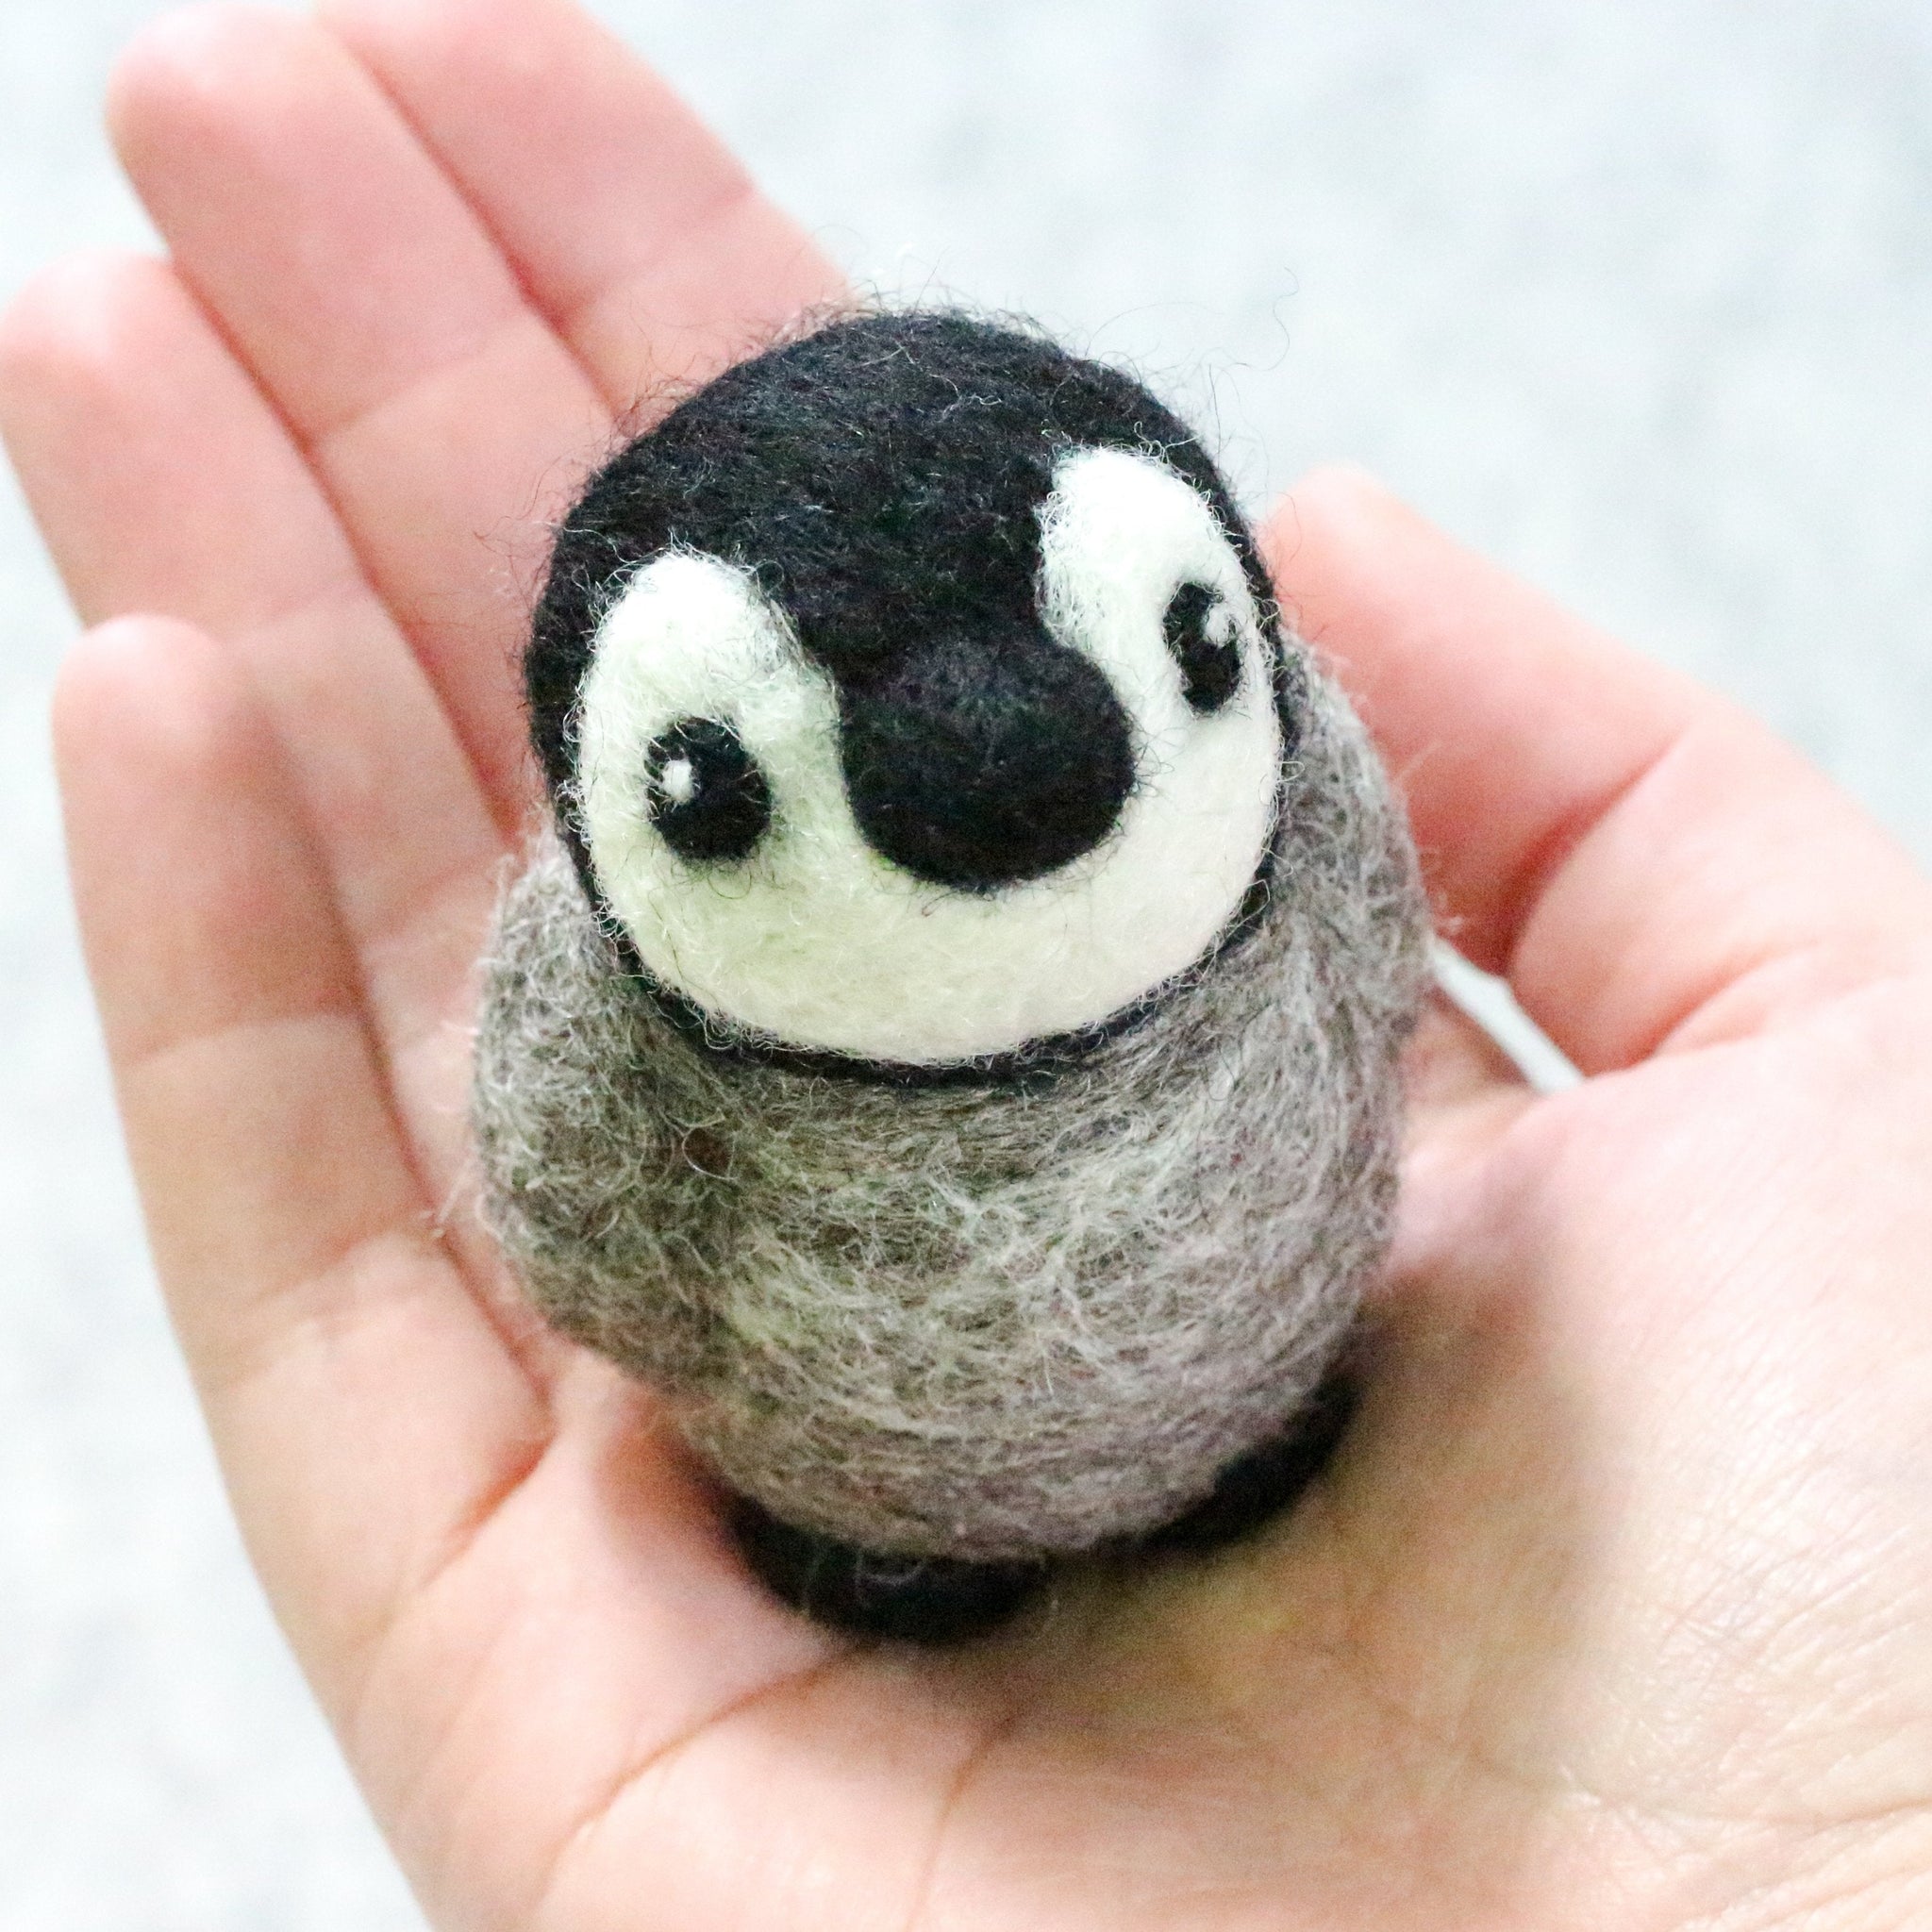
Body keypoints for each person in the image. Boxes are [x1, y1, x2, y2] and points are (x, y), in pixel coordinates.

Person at [7, 1, 1932, 1924]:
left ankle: (1223, 1457)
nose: (1009, 773)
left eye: (1181, 653)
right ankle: (913, 1542)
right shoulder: (618, 1016)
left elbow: (1343, 955)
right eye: (720, 791)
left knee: (1221, 1415)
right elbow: (595, 1221)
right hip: (864, 1470)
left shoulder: (1297, 823)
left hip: (1261, 1364)